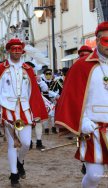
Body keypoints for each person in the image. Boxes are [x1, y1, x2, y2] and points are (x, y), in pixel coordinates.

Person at [0, 38, 48, 187]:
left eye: (19, 49)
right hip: (8, 109)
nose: (17, 52)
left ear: (22, 51)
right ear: (9, 51)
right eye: (14, 49)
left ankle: (20, 162)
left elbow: (34, 92)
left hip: (24, 110)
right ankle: (14, 175)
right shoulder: (1, 68)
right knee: (13, 144)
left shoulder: (28, 69)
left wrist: (37, 109)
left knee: (26, 143)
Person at [55, 21, 108, 188]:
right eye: (106, 42)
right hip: (94, 129)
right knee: (94, 175)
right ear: (98, 40)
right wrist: (83, 121)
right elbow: (72, 97)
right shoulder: (81, 66)